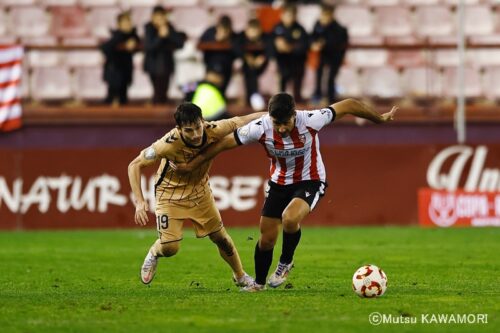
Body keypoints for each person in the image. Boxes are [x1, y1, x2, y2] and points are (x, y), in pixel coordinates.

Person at [170, 93, 398, 291]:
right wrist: (191, 165)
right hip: (279, 184)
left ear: (294, 114)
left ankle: (285, 263)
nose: (280, 128)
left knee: (290, 218)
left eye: (285, 123)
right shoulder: (261, 126)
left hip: (311, 180)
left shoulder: (311, 119)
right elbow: (223, 143)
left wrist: (379, 118)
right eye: (276, 122)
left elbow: (348, 104)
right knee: (266, 238)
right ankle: (258, 284)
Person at [128, 102, 266, 286]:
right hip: (169, 194)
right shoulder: (167, 145)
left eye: (198, 127)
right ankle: (154, 252)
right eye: (188, 130)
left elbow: (242, 120)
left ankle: (240, 276)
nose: (195, 135)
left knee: (220, 238)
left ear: (203, 121)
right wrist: (139, 201)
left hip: (200, 192)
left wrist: (272, 114)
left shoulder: (214, 129)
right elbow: (134, 165)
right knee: (170, 248)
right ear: (178, 129)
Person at [143, 6, 186, 104]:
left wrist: (168, 34)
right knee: (158, 93)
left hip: (166, 65)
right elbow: (149, 47)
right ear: (152, 17)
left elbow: (180, 43)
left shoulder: (169, 27)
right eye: (157, 17)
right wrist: (160, 37)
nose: (159, 20)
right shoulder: (149, 28)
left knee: (163, 93)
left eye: (161, 17)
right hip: (153, 66)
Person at [311, 4, 348, 104]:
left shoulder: (339, 28)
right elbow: (313, 37)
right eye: (323, 15)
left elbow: (337, 43)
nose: (324, 18)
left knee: (331, 78)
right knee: (319, 74)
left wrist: (323, 43)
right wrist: (314, 44)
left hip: (335, 56)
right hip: (323, 55)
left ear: (331, 15)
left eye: (327, 15)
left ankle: (330, 99)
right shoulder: (318, 24)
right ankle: (318, 95)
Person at [100, 12, 140, 106]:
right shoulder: (116, 36)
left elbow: (138, 42)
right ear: (119, 24)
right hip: (114, 72)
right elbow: (105, 48)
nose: (127, 25)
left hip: (125, 71)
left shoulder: (133, 36)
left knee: (123, 98)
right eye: (124, 23)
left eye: (128, 22)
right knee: (111, 98)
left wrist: (133, 42)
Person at [271, 4, 309, 103]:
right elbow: (270, 43)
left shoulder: (300, 29)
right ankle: (280, 103)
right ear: (282, 15)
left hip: (297, 62)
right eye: (287, 15)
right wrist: (277, 46)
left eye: (292, 15)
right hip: (283, 62)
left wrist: (290, 48)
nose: (289, 18)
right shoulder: (277, 28)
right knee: (282, 85)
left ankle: (298, 103)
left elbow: (304, 45)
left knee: (297, 85)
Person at [199, 15, 239, 94]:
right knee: (208, 91)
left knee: (220, 94)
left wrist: (227, 42)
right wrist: (215, 40)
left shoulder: (234, 37)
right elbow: (200, 45)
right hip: (210, 66)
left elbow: (238, 52)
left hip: (226, 70)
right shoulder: (210, 32)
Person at [238, 19, 272, 109]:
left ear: (260, 30)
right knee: (249, 71)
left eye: (255, 30)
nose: (253, 33)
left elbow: (271, 48)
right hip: (246, 65)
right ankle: (253, 96)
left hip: (261, 64)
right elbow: (236, 47)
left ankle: (253, 96)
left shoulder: (266, 37)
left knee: (252, 72)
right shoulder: (241, 37)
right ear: (246, 30)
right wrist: (246, 56)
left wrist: (263, 57)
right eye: (251, 30)